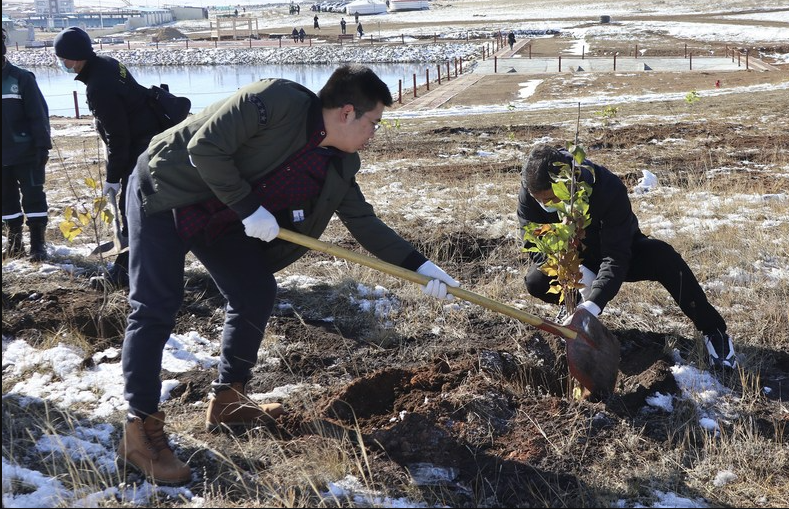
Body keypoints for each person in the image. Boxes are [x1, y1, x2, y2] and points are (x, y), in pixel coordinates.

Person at [117, 65, 460, 484]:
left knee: (255, 291)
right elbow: (205, 147)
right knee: (155, 306)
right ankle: (141, 431)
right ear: (347, 112)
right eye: (373, 123)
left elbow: (364, 222)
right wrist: (248, 209)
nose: (374, 134)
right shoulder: (274, 100)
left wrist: (421, 268)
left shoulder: (338, 163)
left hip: (221, 212)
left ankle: (230, 399)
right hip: (167, 188)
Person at [517, 143, 736, 370]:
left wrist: (594, 302)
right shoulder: (530, 194)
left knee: (663, 257)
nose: (546, 205)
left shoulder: (607, 188)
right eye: (540, 200)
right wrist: (580, 273)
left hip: (618, 251)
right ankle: (573, 306)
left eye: (552, 199)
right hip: (574, 260)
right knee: (537, 280)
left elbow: (616, 255)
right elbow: (534, 245)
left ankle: (714, 332)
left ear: (568, 184)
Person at [54, 26, 162, 288]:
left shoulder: (98, 86)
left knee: (131, 209)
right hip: (150, 140)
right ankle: (139, 266)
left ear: (76, 58)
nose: (61, 64)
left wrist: (114, 178)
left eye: (63, 59)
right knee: (138, 210)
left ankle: (123, 275)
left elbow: (119, 136)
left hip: (141, 149)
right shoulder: (108, 63)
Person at [2, 28, 52, 262]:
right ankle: (14, 244)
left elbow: (38, 115)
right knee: (6, 200)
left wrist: (43, 146)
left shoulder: (21, 78)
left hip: (27, 153)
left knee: (33, 197)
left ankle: (38, 245)